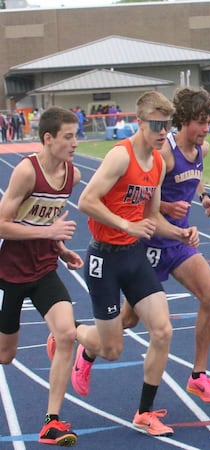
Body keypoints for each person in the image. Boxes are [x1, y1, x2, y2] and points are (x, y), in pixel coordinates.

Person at [72, 91, 198, 437]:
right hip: (104, 258)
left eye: (167, 125)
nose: (162, 132)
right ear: (140, 122)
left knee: (163, 330)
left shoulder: (158, 163)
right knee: (112, 350)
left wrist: (180, 233)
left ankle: (144, 413)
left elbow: (151, 215)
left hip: (133, 256)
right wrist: (125, 224)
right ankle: (73, 332)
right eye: (156, 125)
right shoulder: (119, 157)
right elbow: (85, 201)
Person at [118, 87, 210, 403]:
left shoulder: (201, 149)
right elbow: (141, 197)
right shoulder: (164, 155)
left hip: (179, 240)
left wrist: (204, 196)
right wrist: (166, 206)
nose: (206, 129)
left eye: (208, 122)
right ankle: (86, 347)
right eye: (201, 122)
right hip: (151, 241)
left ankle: (199, 376)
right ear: (183, 122)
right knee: (128, 321)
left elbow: (194, 176)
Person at [0, 107, 83, 446]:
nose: (75, 143)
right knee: (6, 355)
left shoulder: (72, 176)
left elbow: (43, 223)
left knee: (67, 335)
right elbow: (3, 224)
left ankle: (52, 421)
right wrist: (50, 232)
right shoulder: (26, 171)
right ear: (48, 139)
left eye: (76, 135)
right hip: (10, 273)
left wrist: (60, 248)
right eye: (68, 137)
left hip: (45, 268)